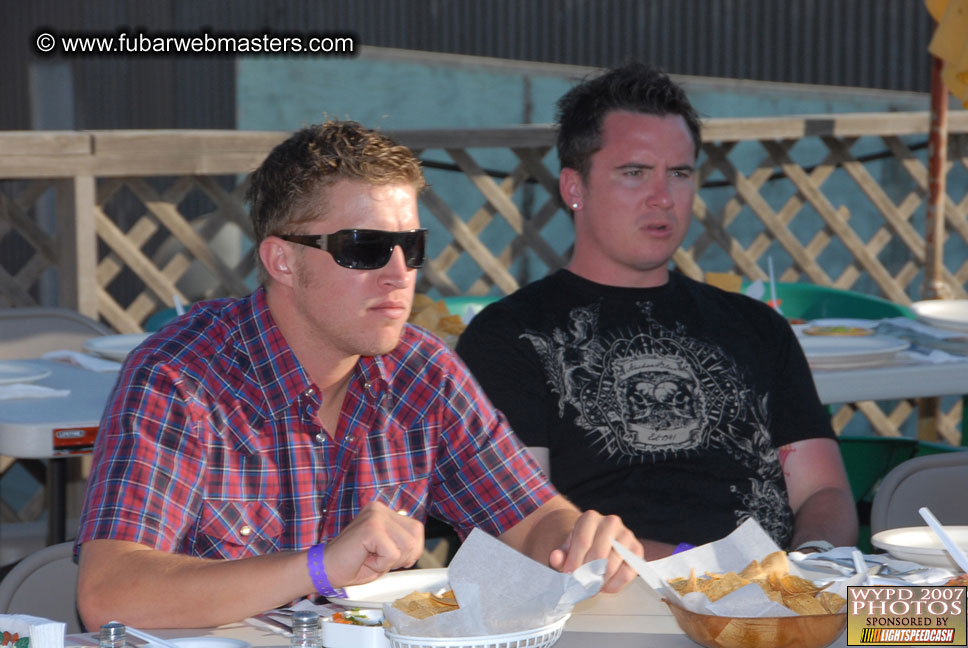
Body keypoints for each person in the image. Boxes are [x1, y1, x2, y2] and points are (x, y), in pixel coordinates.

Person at [74, 120, 643, 630]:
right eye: (365, 248)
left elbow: (532, 517)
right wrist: (319, 567)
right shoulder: (180, 377)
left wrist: (577, 541)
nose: (399, 274)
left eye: (410, 246)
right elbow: (109, 593)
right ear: (282, 261)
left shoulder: (423, 373)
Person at [456, 63, 858, 560]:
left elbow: (825, 492)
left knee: (929, 626)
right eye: (634, 173)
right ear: (573, 188)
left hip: (781, 610)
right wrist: (713, 578)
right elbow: (523, 526)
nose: (663, 197)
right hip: (619, 613)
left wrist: (812, 569)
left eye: (680, 174)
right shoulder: (511, 336)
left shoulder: (757, 326)